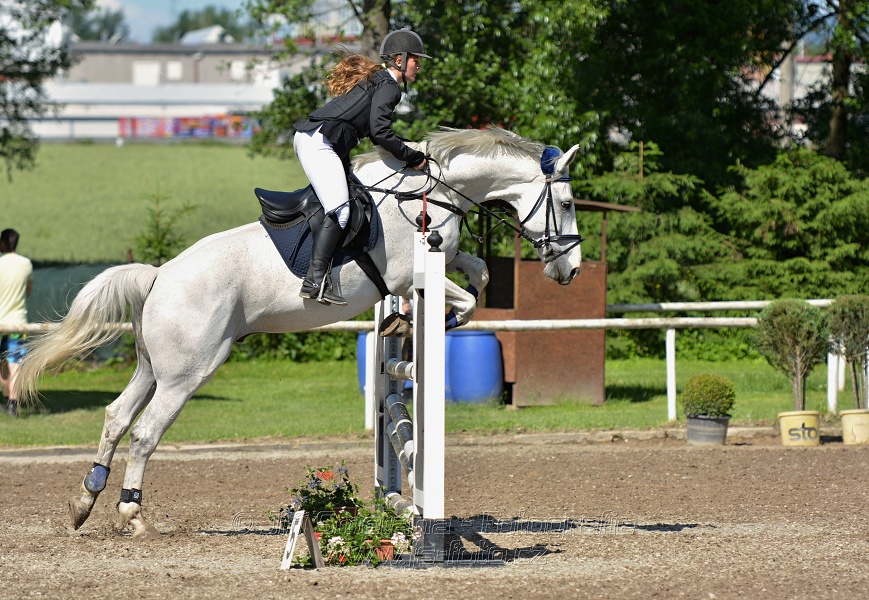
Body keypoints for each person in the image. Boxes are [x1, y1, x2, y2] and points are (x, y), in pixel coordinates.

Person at [293, 28, 431, 306]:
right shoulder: (390, 86)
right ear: (400, 60)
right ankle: (315, 279)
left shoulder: (381, 80)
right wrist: (413, 157)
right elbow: (381, 132)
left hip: (317, 138)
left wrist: (405, 150)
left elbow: (377, 132)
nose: (419, 65)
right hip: (319, 142)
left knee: (351, 198)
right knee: (341, 209)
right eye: (416, 59)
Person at [0, 228, 33, 417]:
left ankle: (7, 398)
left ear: (2, 243)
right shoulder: (26, 264)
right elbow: (28, 292)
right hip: (18, 323)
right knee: (15, 364)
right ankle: (13, 403)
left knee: (3, 365)